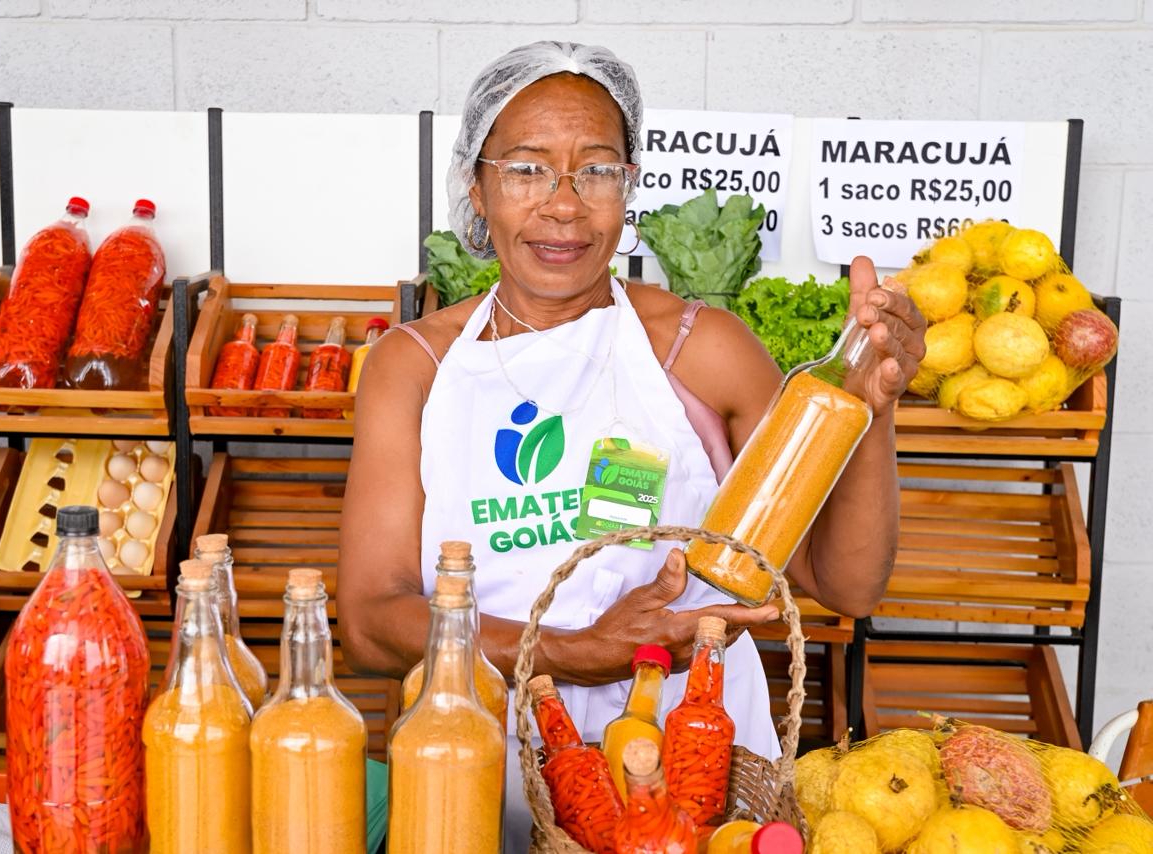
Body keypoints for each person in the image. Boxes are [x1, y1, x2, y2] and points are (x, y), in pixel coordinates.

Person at [338, 40, 925, 850]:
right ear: (477, 187)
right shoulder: (417, 365)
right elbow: (371, 620)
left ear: (630, 186)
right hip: (477, 795)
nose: (564, 205)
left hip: (700, 781)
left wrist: (874, 408)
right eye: (527, 168)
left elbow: (845, 583)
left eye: (598, 170)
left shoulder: (700, 348)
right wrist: (574, 654)